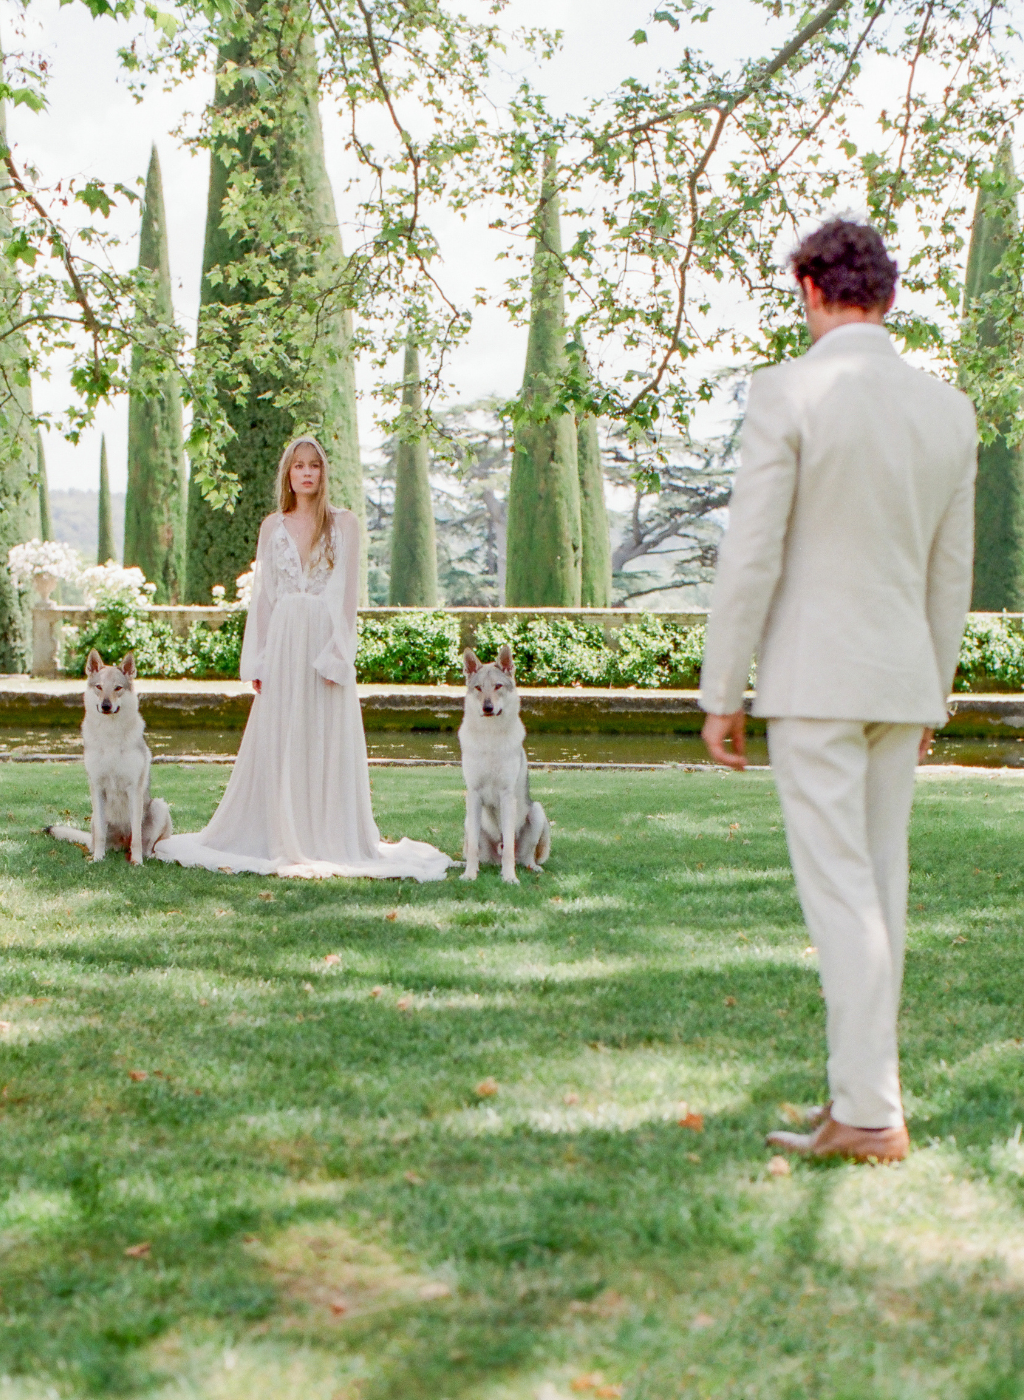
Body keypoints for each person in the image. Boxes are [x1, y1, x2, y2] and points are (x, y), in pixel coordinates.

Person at [699, 219, 977, 1163]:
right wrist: (932, 689)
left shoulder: (787, 390)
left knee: (842, 895)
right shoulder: (950, 409)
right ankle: (862, 1098)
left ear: (810, 291)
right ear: (888, 298)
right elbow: (953, 575)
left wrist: (720, 688)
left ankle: (866, 1113)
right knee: (879, 891)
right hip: (902, 680)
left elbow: (752, 554)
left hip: (816, 678)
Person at [155, 436, 451, 881]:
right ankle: (280, 828)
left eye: (314, 465)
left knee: (324, 734)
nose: (307, 473)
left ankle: (325, 833)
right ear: (288, 474)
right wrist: (257, 660)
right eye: (299, 466)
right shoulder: (272, 526)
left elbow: (348, 595)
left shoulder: (344, 524)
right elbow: (264, 599)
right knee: (283, 733)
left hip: (323, 640)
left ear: (324, 472)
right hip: (285, 641)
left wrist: (339, 654)